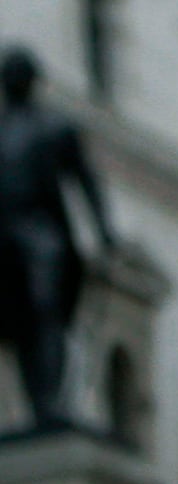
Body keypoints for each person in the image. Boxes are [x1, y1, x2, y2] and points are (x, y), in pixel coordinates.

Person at [0, 45, 116, 432]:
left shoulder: (55, 127)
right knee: (17, 323)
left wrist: (104, 231)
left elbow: (85, 181)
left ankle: (50, 403)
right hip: (6, 233)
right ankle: (37, 408)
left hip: (43, 231)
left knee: (46, 311)